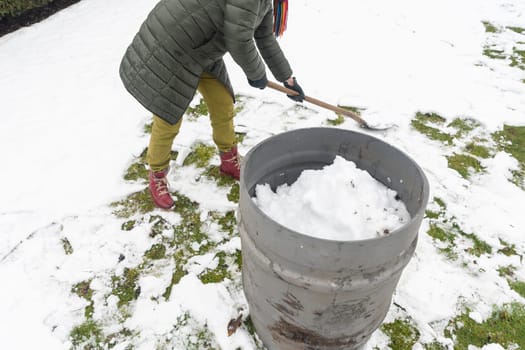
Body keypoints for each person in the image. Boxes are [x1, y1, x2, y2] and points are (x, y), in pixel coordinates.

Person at [119, 0, 305, 209]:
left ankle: (228, 160)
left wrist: (288, 79)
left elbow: (265, 38)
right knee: (169, 116)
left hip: (201, 48)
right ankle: (157, 174)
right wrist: (257, 74)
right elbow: (239, 40)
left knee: (223, 102)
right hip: (173, 47)